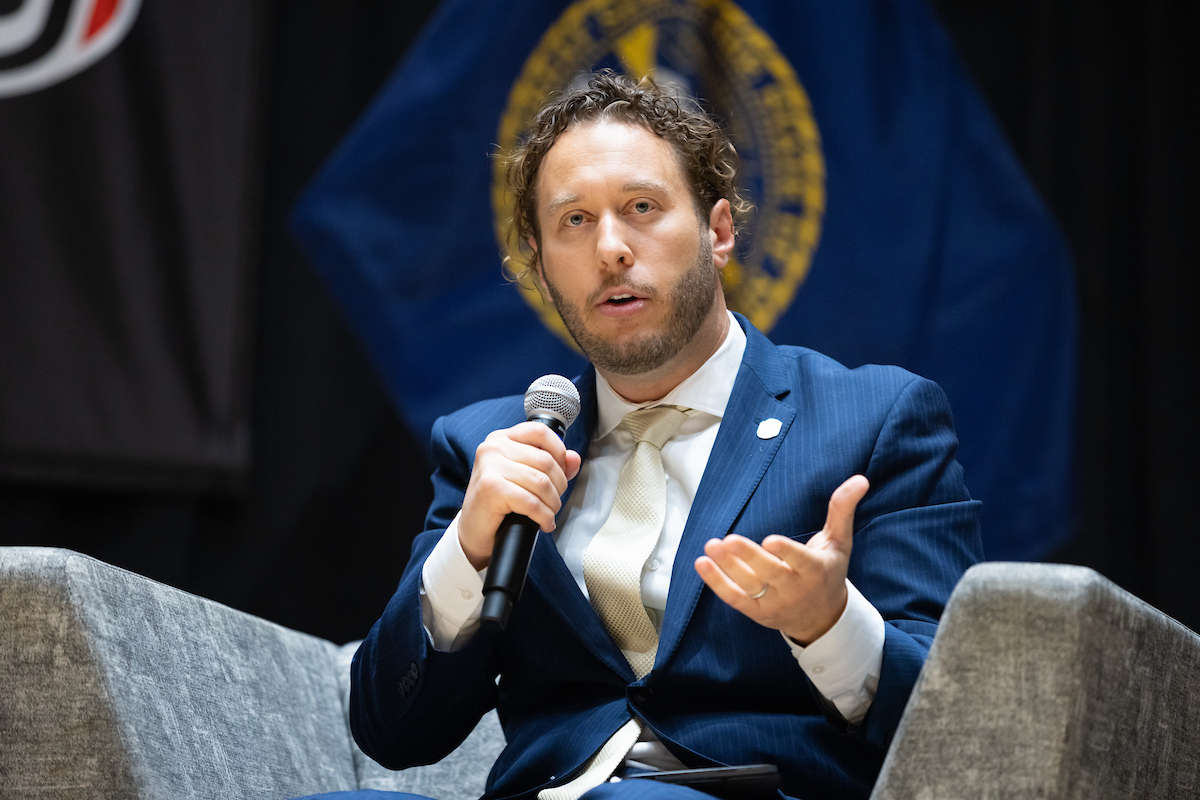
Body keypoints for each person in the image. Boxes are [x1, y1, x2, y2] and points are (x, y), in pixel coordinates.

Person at [345, 70, 983, 800]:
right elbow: (390, 731)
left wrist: (830, 623)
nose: (610, 248)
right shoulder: (491, 447)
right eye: (574, 222)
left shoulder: (876, 419)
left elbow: (954, 726)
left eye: (641, 207)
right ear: (540, 262)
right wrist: (468, 548)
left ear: (718, 231)